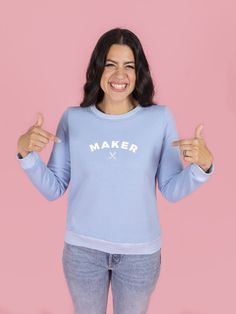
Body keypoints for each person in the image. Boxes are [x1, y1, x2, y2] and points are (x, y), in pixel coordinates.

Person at [16, 27, 214, 314]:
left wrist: (202, 167)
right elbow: (54, 187)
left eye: (129, 66)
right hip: (83, 252)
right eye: (110, 65)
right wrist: (26, 153)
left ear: (138, 73)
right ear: (98, 69)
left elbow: (171, 188)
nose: (119, 75)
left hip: (139, 256)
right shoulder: (74, 119)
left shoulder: (159, 119)